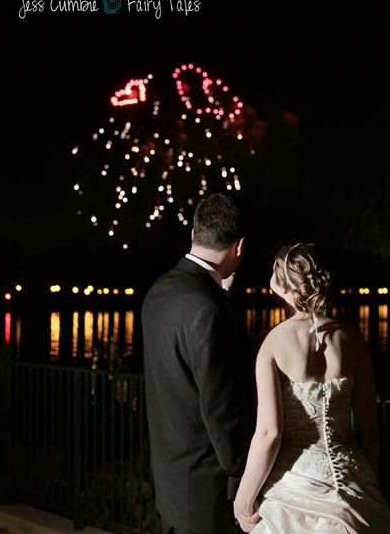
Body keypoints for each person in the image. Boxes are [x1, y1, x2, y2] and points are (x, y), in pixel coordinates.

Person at [234, 242, 390, 533]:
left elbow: (269, 433)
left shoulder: (272, 344)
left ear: (281, 285)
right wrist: (363, 478)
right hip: (352, 475)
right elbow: (369, 430)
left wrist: (243, 498)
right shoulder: (352, 339)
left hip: (293, 483)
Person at [142, 193, 256, 534]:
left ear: (194, 233)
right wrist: (245, 477)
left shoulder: (159, 292)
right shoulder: (208, 309)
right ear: (239, 247)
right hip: (206, 490)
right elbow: (221, 409)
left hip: (169, 475)